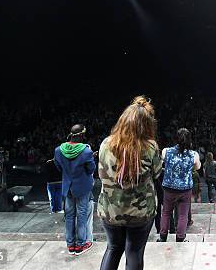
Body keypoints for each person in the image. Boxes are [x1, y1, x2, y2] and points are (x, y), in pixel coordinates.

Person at [97, 96, 162, 270]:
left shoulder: (105, 144)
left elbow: (101, 174)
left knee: (113, 248)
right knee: (134, 251)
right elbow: (157, 173)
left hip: (110, 210)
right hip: (140, 213)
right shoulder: (150, 147)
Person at [54, 124, 96, 255]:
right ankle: (80, 245)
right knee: (82, 215)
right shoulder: (86, 151)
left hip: (68, 187)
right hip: (82, 188)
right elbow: (91, 169)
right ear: (82, 135)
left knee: (69, 216)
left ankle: (70, 245)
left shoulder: (59, 150)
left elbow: (58, 167)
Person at [158, 128, 201, 242]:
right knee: (183, 215)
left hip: (169, 188)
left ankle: (162, 237)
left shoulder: (166, 151)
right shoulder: (194, 155)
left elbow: (163, 161)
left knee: (166, 212)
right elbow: (197, 167)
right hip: (185, 190)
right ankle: (180, 238)